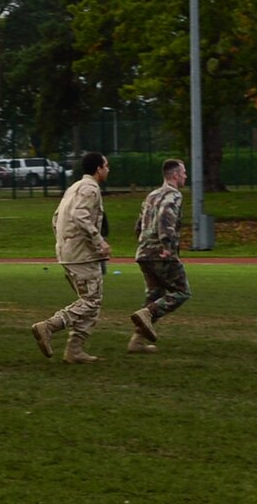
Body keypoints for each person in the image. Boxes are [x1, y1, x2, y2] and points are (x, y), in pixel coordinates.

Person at [31, 152, 113, 364]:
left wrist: (63, 242)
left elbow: (56, 218)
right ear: (98, 169)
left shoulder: (73, 187)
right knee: (91, 300)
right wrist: (99, 241)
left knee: (92, 301)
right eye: (106, 166)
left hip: (68, 252)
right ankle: (50, 326)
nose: (108, 169)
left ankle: (75, 351)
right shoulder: (91, 188)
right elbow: (80, 215)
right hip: (82, 255)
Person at [129, 158, 191, 354]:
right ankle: (147, 314)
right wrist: (166, 246)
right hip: (161, 253)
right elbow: (166, 218)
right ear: (175, 175)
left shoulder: (151, 195)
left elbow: (138, 225)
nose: (185, 176)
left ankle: (137, 341)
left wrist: (143, 244)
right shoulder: (174, 196)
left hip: (144, 252)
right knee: (181, 292)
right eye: (183, 173)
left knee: (155, 294)